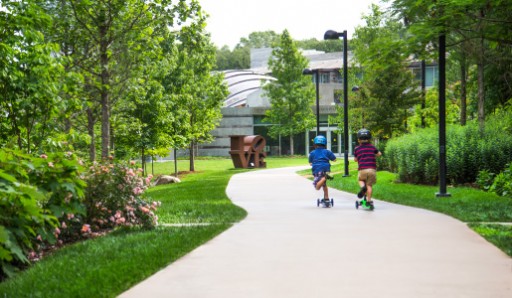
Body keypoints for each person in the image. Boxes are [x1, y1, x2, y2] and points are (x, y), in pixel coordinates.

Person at [354, 128, 382, 206]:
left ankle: (363, 187)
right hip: (372, 169)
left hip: (362, 169)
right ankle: (369, 201)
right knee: (369, 185)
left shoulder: (357, 148)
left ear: (359, 139)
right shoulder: (372, 147)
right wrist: (374, 154)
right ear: (369, 139)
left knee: (361, 180)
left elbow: (355, 159)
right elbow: (379, 154)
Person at [309, 135, 336, 204]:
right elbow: (334, 159)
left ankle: (325, 177)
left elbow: (310, 163)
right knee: (324, 184)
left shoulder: (312, 153)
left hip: (317, 170)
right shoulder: (327, 151)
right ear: (325, 144)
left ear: (314, 144)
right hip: (326, 169)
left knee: (317, 186)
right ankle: (326, 198)